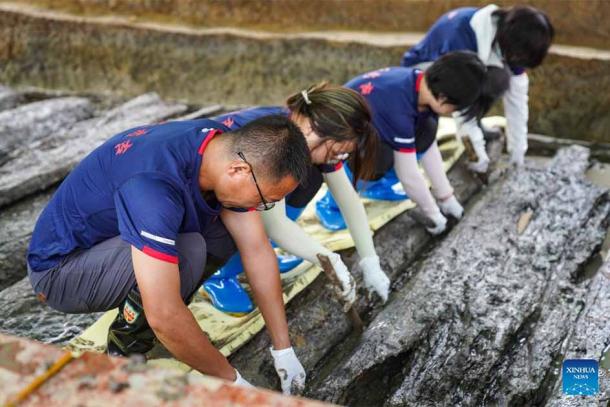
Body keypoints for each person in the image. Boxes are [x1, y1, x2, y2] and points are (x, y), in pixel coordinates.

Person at [26, 115, 311, 393]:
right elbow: (163, 313)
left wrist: (283, 349)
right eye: (264, 200)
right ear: (238, 170)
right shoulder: (153, 188)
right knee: (188, 252)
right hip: (59, 272)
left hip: (113, 244)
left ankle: (154, 324)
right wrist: (234, 383)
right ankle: (124, 351)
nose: (263, 208)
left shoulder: (216, 145)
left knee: (222, 234)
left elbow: (257, 251)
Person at [202, 82, 391, 315]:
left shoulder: (303, 138)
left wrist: (370, 261)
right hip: (204, 205)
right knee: (254, 206)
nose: (339, 158)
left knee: (309, 179)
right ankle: (221, 274)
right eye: (337, 151)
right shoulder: (272, 141)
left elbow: (348, 199)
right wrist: (330, 261)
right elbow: (275, 224)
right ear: (314, 129)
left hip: (253, 195)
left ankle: (262, 254)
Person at [316, 52, 509, 234]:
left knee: (427, 129)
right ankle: (331, 203)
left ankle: (374, 186)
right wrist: (432, 213)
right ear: (443, 99)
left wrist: (446, 197)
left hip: (368, 132)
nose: (452, 113)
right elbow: (408, 174)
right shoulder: (399, 108)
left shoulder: (422, 85)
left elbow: (429, 149)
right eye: (455, 108)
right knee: (380, 156)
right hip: (331, 143)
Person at [401, 4, 554, 172]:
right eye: (518, 57)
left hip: (462, 76)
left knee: (500, 78)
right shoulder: (462, 35)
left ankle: (476, 125)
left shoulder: (509, 42)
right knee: (476, 85)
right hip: (421, 73)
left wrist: (518, 154)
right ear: (511, 43)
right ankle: (421, 131)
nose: (517, 61)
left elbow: (517, 100)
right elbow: (457, 92)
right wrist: (475, 151)